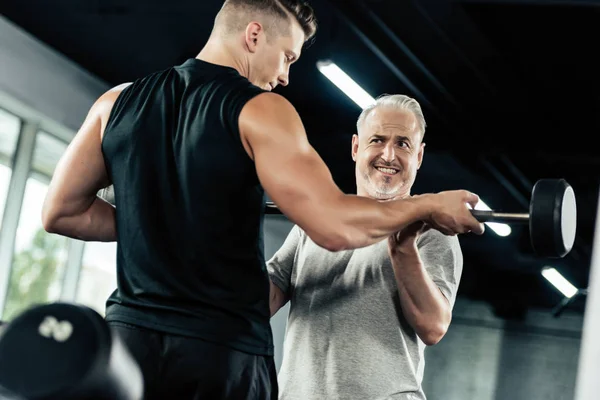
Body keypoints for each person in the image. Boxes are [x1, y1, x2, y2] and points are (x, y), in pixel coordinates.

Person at [41, 0, 484, 398]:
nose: (286, 75)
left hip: (126, 344)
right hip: (218, 354)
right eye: (287, 56)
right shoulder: (261, 109)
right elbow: (333, 226)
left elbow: (62, 211)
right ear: (254, 36)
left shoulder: (115, 102)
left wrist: (161, 215)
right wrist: (428, 205)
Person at [268, 94, 464, 400]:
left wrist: (403, 246)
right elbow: (259, 301)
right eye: (378, 140)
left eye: (403, 144)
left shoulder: (431, 232)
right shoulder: (314, 223)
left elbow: (433, 326)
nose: (389, 155)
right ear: (356, 147)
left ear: (419, 157)